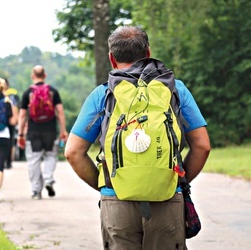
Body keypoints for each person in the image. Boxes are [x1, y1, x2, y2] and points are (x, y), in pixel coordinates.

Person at [64, 26, 211, 249]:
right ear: (148, 52)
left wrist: (107, 185)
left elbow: (73, 152)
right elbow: (202, 146)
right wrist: (174, 180)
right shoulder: (176, 89)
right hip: (167, 197)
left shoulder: (102, 94)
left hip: (116, 200)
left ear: (112, 59)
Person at [17, 65, 68, 200]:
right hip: (50, 130)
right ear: (44, 75)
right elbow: (60, 113)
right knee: (50, 156)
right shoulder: (53, 91)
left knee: (34, 160)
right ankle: (48, 180)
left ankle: (36, 191)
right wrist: (63, 130)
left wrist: (20, 134)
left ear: (32, 76)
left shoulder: (28, 93)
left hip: (33, 131)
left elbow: (22, 116)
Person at [1, 78, 20, 169]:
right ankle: (7, 161)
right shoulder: (11, 96)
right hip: (9, 122)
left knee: (5, 142)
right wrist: (15, 120)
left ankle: (4, 161)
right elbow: (15, 108)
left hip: (2, 121)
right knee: (9, 142)